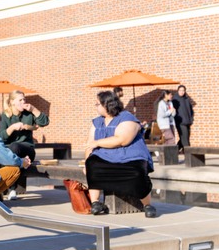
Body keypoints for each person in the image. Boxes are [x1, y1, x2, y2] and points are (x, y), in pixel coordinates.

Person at [84, 90, 158, 218]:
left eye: (97, 104)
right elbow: (90, 144)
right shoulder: (97, 122)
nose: (95, 107)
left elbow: (123, 140)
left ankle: (147, 204)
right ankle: (95, 203)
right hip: (105, 155)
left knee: (137, 172)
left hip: (130, 155)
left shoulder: (127, 118)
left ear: (107, 104)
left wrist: (98, 142)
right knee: (92, 164)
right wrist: (86, 162)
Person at [0, 90, 49, 161]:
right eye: (20, 100)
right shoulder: (4, 116)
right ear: (12, 102)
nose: (23, 102)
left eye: (24, 99)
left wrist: (34, 110)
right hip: (9, 151)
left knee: (15, 146)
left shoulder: (29, 113)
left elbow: (44, 122)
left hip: (27, 149)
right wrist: (12, 128)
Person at [172, 84, 196, 152]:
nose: (182, 92)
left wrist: (191, 119)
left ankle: (174, 150)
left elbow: (191, 110)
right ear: (178, 91)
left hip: (188, 121)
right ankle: (189, 153)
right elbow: (173, 112)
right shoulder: (175, 100)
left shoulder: (186, 99)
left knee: (185, 137)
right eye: (180, 90)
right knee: (185, 139)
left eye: (183, 90)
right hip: (180, 122)